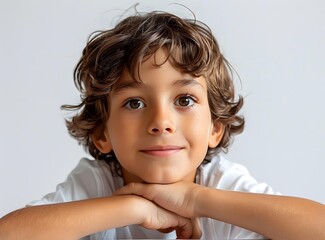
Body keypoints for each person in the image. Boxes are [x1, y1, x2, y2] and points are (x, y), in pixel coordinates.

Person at [0, 10, 324, 240]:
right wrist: (134, 208)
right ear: (102, 133)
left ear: (216, 128)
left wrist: (195, 200)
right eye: (134, 103)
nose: (161, 123)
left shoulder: (221, 183)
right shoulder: (96, 184)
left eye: (184, 100)